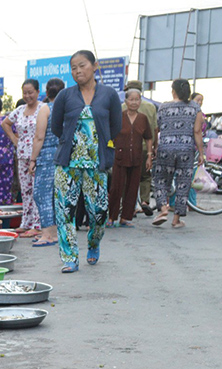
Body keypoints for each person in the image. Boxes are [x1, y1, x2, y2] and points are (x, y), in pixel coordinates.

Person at [50, 50, 122, 273]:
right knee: (65, 211)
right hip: (67, 164)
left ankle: (93, 243)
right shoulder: (65, 95)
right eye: (73, 68)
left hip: (96, 164)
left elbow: (116, 126)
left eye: (82, 65)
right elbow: (56, 126)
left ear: (94, 66)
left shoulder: (109, 94)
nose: (78, 71)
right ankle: (70, 257)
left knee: (99, 213)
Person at [151, 80, 205, 228]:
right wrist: (201, 153)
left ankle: (162, 209)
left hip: (165, 148)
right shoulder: (195, 108)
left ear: (173, 91)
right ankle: (176, 220)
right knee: (183, 183)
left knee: (160, 180)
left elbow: (157, 129)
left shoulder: (163, 107)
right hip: (186, 150)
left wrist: (155, 147)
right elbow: (197, 131)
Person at [107, 88, 154, 227]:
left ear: (140, 101)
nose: (134, 102)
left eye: (137, 99)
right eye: (131, 99)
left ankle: (125, 218)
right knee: (116, 188)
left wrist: (149, 156)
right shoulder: (118, 117)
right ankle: (111, 217)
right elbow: (110, 135)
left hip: (137, 157)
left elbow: (149, 138)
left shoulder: (143, 118)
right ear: (126, 101)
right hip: (120, 157)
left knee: (132, 188)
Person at [3, 79, 43, 236]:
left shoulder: (43, 108)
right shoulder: (19, 110)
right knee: (25, 190)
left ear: (37, 92)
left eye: (30, 92)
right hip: (22, 156)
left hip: (38, 155)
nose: (27, 96)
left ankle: (38, 225)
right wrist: (15, 140)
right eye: (24, 93)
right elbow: (5, 123)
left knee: (37, 190)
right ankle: (26, 222)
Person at [30, 78, 65, 247]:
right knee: (56, 195)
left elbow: (39, 137)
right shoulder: (67, 108)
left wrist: (32, 159)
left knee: (41, 194)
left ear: (46, 91)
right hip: (64, 154)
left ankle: (48, 234)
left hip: (48, 155)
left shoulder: (46, 109)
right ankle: (54, 232)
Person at [125, 80, 159, 216]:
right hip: (145, 147)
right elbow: (155, 129)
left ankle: (130, 207)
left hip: (127, 147)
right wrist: (155, 147)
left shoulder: (123, 106)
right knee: (145, 176)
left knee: (129, 177)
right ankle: (145, 201)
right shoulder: (150, 107)